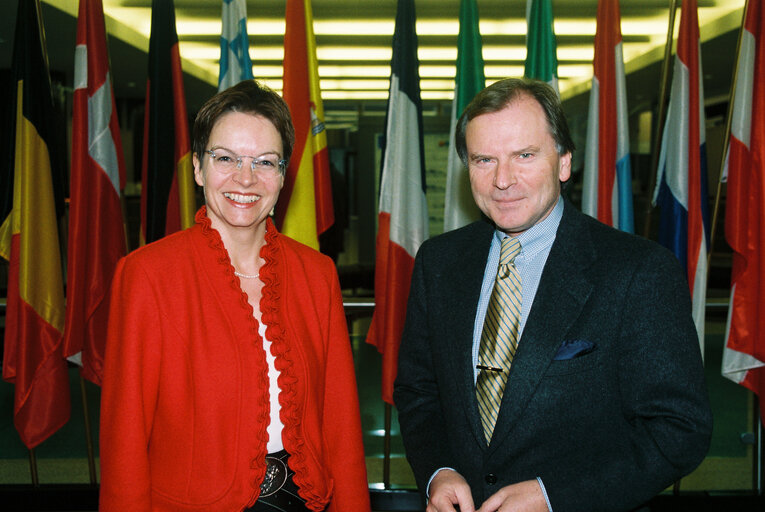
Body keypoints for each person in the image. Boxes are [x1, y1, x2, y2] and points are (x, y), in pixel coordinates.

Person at [393, 78, 713, 512]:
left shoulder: (637, 271)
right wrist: (438, 471)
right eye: (484, 159)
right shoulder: (439, 263)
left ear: (564, 162)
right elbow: (419, 391)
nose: (503, 180)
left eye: (524, 155)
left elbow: (679, 428)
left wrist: (553, 495)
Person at [99, 80, 371, 512]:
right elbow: (124, 438)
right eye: (225, 158)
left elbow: (340, 424)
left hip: (305, 501)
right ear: (197, 168)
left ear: (283, 175)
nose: (245, 178)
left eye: (265, 162)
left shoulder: (317, 275)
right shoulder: (146, 275)